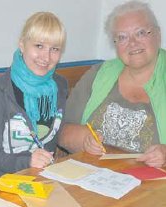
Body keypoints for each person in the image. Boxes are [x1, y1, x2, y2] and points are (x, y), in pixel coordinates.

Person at [59, 1, 166, 168]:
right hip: (94, 179)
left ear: (158, 35)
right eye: (122, 37)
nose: (132, 42)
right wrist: (83, 141)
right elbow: (62, 130)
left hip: (152, 189)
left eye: (141, 33)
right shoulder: (98, 74)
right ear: (115, 44)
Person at [0, 12, 68, 177]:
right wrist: (28, 162)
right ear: (22, 45)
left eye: (55, 49)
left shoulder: (60, 86)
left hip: (44, 178)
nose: (46, 56)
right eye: (39, 46)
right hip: (2, 182)